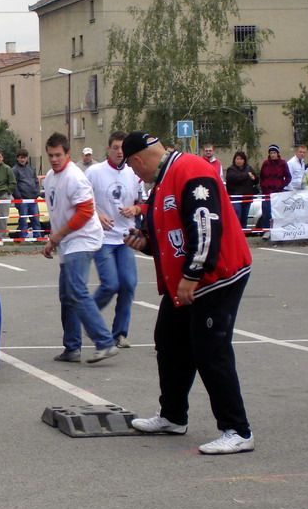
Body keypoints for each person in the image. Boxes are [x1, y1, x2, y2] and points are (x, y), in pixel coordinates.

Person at [121, 131, 254, 454]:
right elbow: (171, 234)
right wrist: (146, 243)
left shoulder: (190, 170)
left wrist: (192, 273)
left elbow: (205, 224)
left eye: (133, 168)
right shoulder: (162, 181)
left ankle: (237, 429)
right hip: (189, 278)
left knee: (211, 350)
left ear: (137, 160)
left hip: (217, 275)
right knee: (169, 341)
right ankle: (173, 416)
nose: (136, 175)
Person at [42, 132, 118, 364]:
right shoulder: (50, 178)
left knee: (76, 290)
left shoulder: (75, 177)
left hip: (83, 238)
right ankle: (72, 348)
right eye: (51, 155)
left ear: (68, 154)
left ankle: (104, 342)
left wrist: (57, 236)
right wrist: (53, 240)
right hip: (67, 241)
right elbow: (57, 213)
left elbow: (85, 212)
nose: (54, 159)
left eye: (58, 155)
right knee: (66, 295)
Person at [86, 131, 142, 348]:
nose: (119, 152)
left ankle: (119, 333)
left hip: (125, 237)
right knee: (110, 284)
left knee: (128, 284)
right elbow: (82, 200)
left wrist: (136, 209)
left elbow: (142, 202)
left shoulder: (133, 173)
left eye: (122, 148)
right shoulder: (95, 172)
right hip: (103, 238)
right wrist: (97, 215)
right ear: (108, 149)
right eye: (115, 148)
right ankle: (88, 315)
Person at [258, 144, 291, 235]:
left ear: (277, 153)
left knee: (278, 213)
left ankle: (278, 232)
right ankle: (266, 231)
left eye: (274, 153)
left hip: (278, 193)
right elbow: (262, 177)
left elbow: (288, 177)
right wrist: (263, 186)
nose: (273, 155)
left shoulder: (283, 163)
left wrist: (281, 185)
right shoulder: (265, 163)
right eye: (271, 153)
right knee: (266, 212)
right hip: (267, 192)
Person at [12, 149, 42, 238]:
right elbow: (14, 185)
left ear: (27, 158)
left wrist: (37, 192)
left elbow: (36, 181)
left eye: (24, 158)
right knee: (23, 220)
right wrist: (19, 197)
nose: (22, 160)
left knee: (36, 219)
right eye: (21, 158)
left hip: (33, 199)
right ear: (17, 158)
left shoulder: (31, 169)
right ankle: (23, 237)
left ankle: (37, 236)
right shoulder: (14, 170)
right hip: (22, 200)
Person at [225, 151, 259, 229]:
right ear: (234, 160)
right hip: (236, 197)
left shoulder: (249, 168)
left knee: (244, 218)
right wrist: (247, 175)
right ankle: (236, 232)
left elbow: (256, 180)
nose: (239, 161)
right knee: (237, 215)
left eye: (241, 159)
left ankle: (243, 234)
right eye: (237, 159)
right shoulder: (231, 169)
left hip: (247, 197)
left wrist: (254, 178)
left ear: (244, 160)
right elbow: (234, 178)